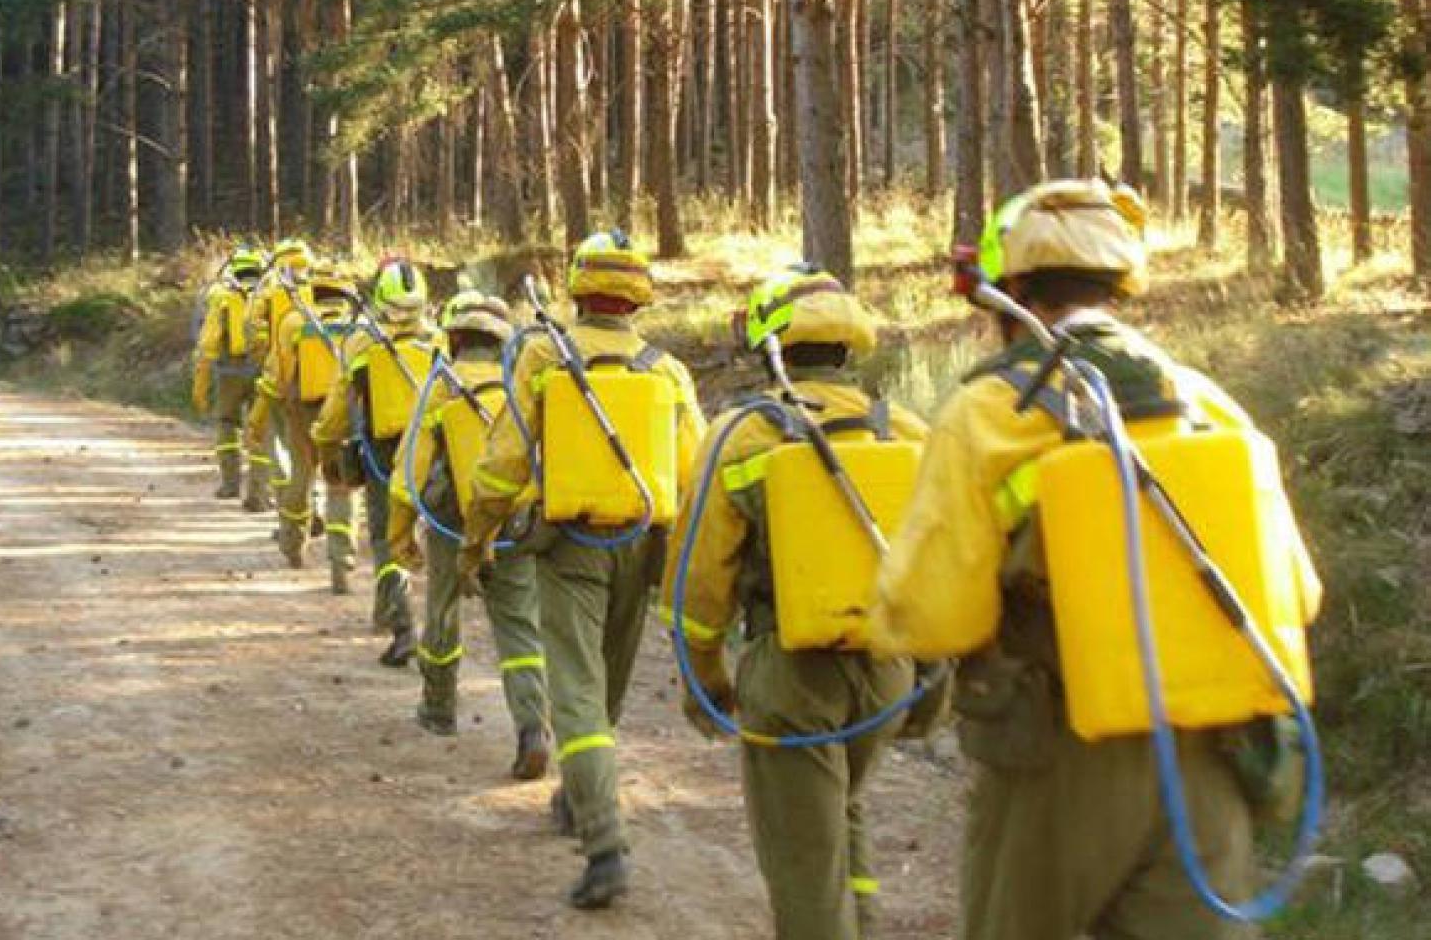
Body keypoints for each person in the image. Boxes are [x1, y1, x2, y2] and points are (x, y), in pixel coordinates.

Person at [871, 179, 1323, 940]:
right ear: (1120, 285)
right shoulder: (1206, 402)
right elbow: (1297, 593)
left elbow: (931, 614)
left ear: (1011, 294)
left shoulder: (988, 414)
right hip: (1206, 754)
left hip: (1057, 759)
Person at [661, 269, 923, 940]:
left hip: (791, 678)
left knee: (805, 866)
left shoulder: (743, 434)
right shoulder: (907, 431)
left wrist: (705, 680)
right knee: (844, 811)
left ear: (765, 342)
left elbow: (699, 581)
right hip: (888, 674)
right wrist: (928, 688)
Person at [461, 232, 706, 909]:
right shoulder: (668, 371)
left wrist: (477, 536)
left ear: (577, 288)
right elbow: (696, 475)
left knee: (577, 690)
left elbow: (503, 463)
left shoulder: (544, 356)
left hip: (570, 545)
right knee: (604, 690)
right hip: (645, 543)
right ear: (640, 295)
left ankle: (604, 846)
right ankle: (580, 793)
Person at [387, 291, 550, 779]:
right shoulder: (521, 387)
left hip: (451, 525)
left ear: (455, 339)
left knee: (443, 612)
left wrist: (399, 535)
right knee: (519, 628)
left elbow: (408, 470)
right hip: (512, 525)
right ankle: (531, 727)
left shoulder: (441, 387)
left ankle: (438, 708)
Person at [313, 260, 436, 664]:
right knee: (438, 541)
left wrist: (325, 446)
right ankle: (433, 628)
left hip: (384, 454)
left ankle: (403, 626)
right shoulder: (439, 341)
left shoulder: (363, 344)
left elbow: (338, 406)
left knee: (386, 540)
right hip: (433, 449)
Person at [264, 265, 358, 572]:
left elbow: (280, 373)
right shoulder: (360, 327)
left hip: (303, 412)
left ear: (314, 291)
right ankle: (341, 556)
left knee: (302, 474)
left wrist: (276, 404)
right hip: (344, 414)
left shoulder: (294, 322)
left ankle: (292, 543)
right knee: (341, 482)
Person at [240, 238, 317, 514]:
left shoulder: (269, 289)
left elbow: (251, 326)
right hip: (317, 380)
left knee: (277, 441)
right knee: (312, 451)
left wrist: (263, 357)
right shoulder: (320, 286)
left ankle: (288, 505)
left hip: (279, 375)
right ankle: (313, 505)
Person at [192, 245, 268, 500]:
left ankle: (230, 484)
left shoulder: (223, 296)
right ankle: (259, 492)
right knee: (261, 429)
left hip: (230, 373)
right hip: (263, 371)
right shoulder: (269, 295)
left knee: (227, 425)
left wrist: (201, 388)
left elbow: (208, 344)